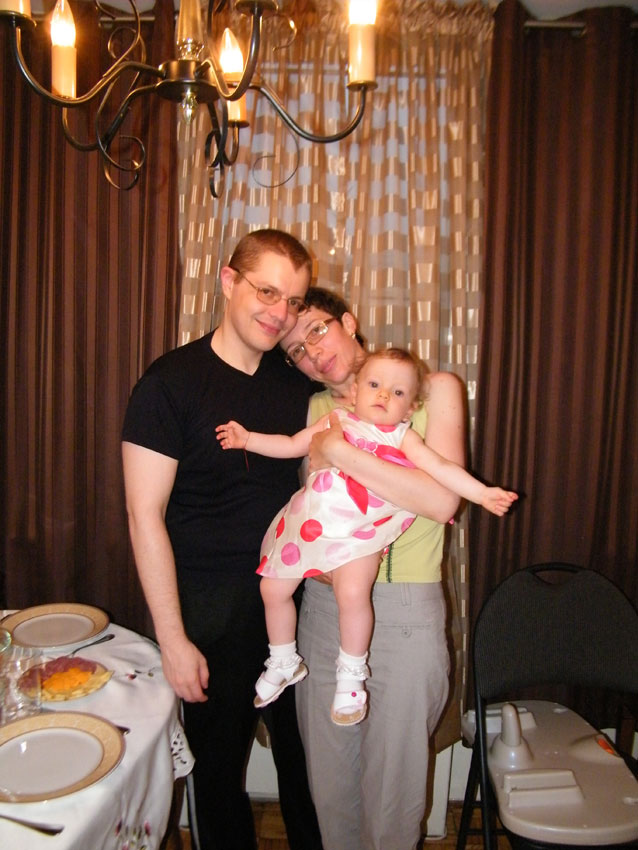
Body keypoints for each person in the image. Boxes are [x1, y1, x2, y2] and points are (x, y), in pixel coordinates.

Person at [121, 229, 324, 850]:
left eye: (293, 300)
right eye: (267, 292)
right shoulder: (169, 384)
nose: (280, 313)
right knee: (217, 777)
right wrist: (173, 639)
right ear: (228, 280)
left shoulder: (295, 384)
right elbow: (144, 516)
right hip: (210, 612)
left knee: (308, 770)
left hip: (294, 602)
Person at [216, 348, 517, 726]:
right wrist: (248, 440)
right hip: (311, 528)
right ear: (356, 391)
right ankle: (283, 658)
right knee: (271, 588)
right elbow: (291, 444)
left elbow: (442, 469)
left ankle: (351, 675)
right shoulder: (334, 419)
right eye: (375, 385)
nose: (383, 395)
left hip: (361, 532)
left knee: (352, 593)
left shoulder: (403, 437)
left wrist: (482, 493)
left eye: (398, 392)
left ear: (409, 410)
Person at [278, 287, 478, 850]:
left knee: (394, 797)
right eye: (296, 351)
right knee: (331, 793)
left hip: (406, 611)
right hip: (326, 611)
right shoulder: (315, 411)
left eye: (317, 331)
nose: (313, 354)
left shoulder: (433, 389)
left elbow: (440, 501)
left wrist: (340, 451)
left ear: (348, 322)